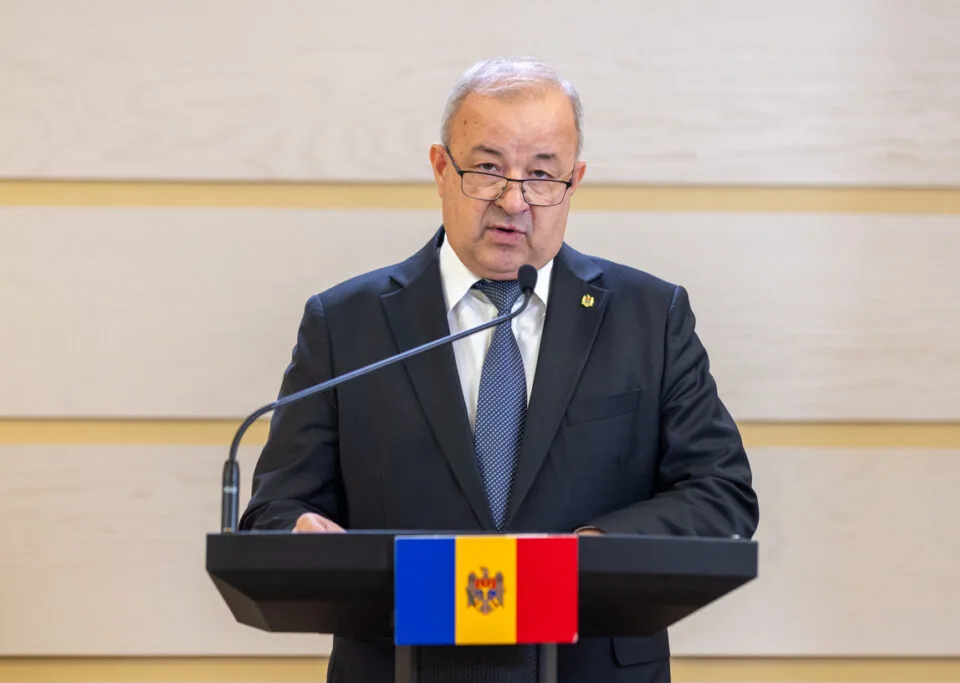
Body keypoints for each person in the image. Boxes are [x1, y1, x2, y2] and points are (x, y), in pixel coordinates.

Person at [239, 56, 758, 683]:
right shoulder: (346, 323)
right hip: (404, 666)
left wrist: (593, 554)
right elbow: (275, 508)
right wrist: (297, 529)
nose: (514, 201)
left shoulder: (649, 317)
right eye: (487, 169)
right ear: (440, 169)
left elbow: (720, 494)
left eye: (541, 174)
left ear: (574, 181)